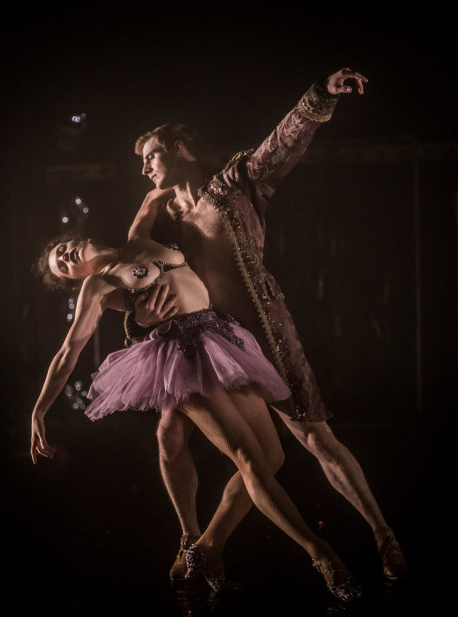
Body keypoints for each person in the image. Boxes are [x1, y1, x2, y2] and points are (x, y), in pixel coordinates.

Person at [128, 67, 408, 583]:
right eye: (142, 161)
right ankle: (194, 541)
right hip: (210, 346)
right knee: (170, 431)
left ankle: (384, 536)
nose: (144, 167)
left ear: (183, 147)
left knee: (313, 442)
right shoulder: (165, 225)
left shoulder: (234, 183)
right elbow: (134, 275)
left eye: (151, 154)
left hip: (266, 335)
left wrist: (320, 96)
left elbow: (279, 146)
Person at [30, 200, 362, 602]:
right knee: (249, 458)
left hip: (224, 341)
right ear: (76, 277)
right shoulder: (99, 285)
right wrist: (40, 410)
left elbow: (157, 192)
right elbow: (68, 352)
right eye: (61, 266)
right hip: (182, 355)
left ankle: (206, 548)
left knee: (273, 458)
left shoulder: (138, 238)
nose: (64, 258)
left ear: (79, 239)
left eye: (62, 251)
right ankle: (321, 555)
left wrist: (177, 180)